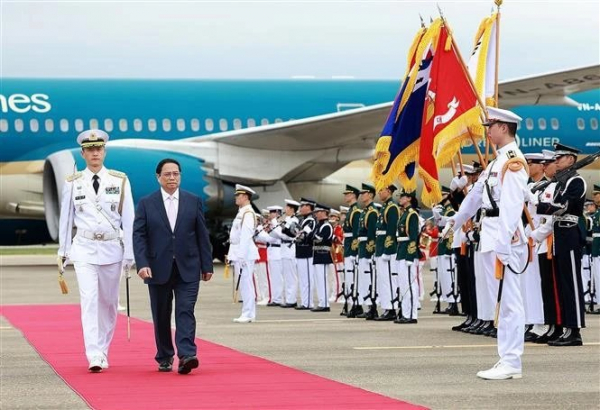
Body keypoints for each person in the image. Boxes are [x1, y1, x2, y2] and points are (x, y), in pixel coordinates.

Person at [444, 107, 528, 380]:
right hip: (491, 234)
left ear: (504, 127)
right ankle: (506, 357)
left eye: (490, 125)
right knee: (499, 301)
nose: (487, 130)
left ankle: (512, 360)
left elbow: (513, 205)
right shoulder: (495, 163)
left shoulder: (512, 161)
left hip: (504, 237)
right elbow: (476, 196)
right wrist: (456, 221)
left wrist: (504, 241)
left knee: (510, 301)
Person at [58, 129, 134, 372]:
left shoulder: (119, 180)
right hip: (84, 248)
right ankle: (94, 354)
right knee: (89, 301)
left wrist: (130, 253)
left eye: (98, 149)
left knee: (109, 303)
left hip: (112, 248)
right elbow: (65, 218)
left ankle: (103, 348)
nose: (95, 153)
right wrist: (63, 251)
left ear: (104, 151)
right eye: (90, 149)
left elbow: (129, 219)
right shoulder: (73, 182)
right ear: (82, 153)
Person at [133, 158, 213, 374]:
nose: (172, 178)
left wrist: (207, 265)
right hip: (157, 268)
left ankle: (187, 355)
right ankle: (165, 355)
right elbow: (139, 236)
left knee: (185, 310)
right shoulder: (146, 203)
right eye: (167, 174)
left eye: (176, 174)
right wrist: (142, 263)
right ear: (158, 177)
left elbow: (202, 235)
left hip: (188, 267)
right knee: (161, 314)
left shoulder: (193, 200)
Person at [227, 185, 260, 323]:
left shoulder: (247, 213)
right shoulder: (242, 212)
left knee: (246, 283)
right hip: (238, 251)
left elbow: (246, 236)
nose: (236, 198)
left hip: (244, 252)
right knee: (244, 284)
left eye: (238, 196)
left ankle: (248, 313)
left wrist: (241, 255)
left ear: (245, 197)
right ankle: (247, 312)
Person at [374, 185, 399, 322]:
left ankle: (391, 308)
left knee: (389, 280)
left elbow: (391, 230)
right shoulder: (384, 207)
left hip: (387, 248)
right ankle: (386, 307)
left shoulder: (392, 207)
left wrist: (387, 250)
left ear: (389, 191)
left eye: (381, 190)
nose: (379, 192)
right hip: (380, 246)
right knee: (383, 280)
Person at [395, 190, 420, 324]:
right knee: (403, 284)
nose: (400, 198)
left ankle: (411, 314)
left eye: (402, 196)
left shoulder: (412, 214)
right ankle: (405, 312)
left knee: (410, 285)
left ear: (409, 198)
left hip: (407, 253)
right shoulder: (404, 214)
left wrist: (410, 256)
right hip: (401, 251)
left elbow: (413, 237)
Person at [356, 183, 379, 319]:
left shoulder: (372, 212)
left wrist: (370, 250)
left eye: (364, 193)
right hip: (362, 247)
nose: (362, 196)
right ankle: (368, 305)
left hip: (367, 248)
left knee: (370, 279)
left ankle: (372, 307)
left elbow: (371, 233)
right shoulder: (365, 211)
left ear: (370, 195)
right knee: (364, 279)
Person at [341, 186, 362, 317]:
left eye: (348, 194)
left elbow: (356, 233)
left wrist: (354, 251)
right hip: (348, 246)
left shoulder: (356, 211)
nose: (346, 196)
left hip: (352, 248)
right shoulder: (350, 211)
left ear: (354, 195)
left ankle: (357, 304)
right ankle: (352, 303)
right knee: (349, 278)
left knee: (354, 278)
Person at [312, 203, 334, 311]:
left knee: (322, 280)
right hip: (317, 255)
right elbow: (311, 238)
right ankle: (322, 302)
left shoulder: (326, 225)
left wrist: (312, 236)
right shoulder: (318, 225)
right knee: (319, 281)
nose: (316, 214)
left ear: (325, 212)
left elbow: (322, 239)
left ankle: (325, 304)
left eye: (319, 212)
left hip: (323, 255)